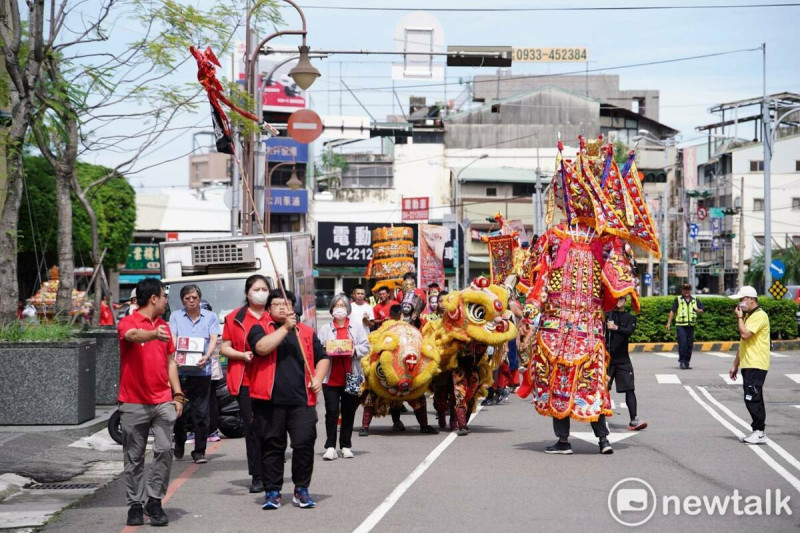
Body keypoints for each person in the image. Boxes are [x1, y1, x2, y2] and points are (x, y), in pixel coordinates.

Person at [247, 289, 330, 510]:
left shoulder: (306, 332)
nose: (283, 308)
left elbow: (323, 358)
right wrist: (285, 328)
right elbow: (261, 348)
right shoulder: (259, 329)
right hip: (268, 401)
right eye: (277, 305)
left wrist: (318, 378)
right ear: (268, 309)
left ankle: (301, 489)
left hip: (302, 400)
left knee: (304, 443)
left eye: (287, 304)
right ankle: (272, 491)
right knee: (272, 446)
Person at [117, 278, 183, 527]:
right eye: (164, 296)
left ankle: (154, 500)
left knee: (165, 450)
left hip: (162, 401)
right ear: (154, 298)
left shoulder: (165, 325)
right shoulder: (128, 322)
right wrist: (152, 334)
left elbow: (171, 362)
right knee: (134, 457)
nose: (166, 301)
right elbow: (133, 336)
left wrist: (178, 394)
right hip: (133, 403)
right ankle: (135, 504)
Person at [220, 275, 269, 493]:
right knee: (253, 428)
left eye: (264, 288)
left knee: (272, 428)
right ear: (247, 293)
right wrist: (241, 355)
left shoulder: (275, 315)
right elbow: (225, 348)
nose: (261, 292)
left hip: (272, 379)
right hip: (246, 382)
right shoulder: (234, 318)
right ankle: (257, 475)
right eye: (257, 289)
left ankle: (272, 470)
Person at [169, 284, 220, 465]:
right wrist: (176, 355)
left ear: (199, 298)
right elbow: (173, 338)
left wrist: (207, 356)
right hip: (180, 372)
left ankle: (199, 451)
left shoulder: (211, 317)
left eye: (194, 298)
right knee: (179, 411)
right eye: (187, 298)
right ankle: (180, 442)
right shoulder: (175, 316)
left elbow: (214, 338)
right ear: (183, 300)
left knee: (202, 413)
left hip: (202, 372)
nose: (191, 301)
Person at [317, 294, 370, 460]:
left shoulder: (356, 327)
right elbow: (318, 349)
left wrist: (353, 350)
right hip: (330, 378)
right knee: (331, 412)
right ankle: (330, 446)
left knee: (348, 412)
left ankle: (346, 445)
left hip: (352, 376)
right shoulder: (325, 329)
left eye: (342, 305)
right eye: (336, 305)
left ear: (348, 309)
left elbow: (366, 346)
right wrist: (327, 348)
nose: (339, 308)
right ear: (332, 308)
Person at [728, 286, 771, 445]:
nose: (740, 303)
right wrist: (735, 365)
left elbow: (745, 335)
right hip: (749, 362)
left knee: (753, 397)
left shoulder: (760, 315)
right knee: (752, 397)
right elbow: (743, 344)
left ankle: (759, 432)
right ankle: (757, 431)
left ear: (751, 299)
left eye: (742, 299)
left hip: (757, 363)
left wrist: (739, 318)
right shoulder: (749, 316)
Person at [605, 296, 647, 431]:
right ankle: (599, 418)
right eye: (616, 298)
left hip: (623, 359)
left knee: (630, 389)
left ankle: (634, 419)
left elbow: (629, 331)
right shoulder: (607, 315)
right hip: (607, 358)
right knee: (603, 389)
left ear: (625, 301)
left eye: (621, 299)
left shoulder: (630, 318)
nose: (618, 301)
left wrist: (616, 327)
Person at [666, 282, 704, 369]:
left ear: (690, 290)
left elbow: (702, 309)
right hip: (681, 325)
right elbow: (672, 311)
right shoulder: (678, 299)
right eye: (685, 289)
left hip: (691, 325)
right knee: (682, 343)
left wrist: (699, 310)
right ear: (682, 290)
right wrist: (668, 323)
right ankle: (682, 362)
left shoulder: (695, 299)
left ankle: (687, 362)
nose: (686, 291)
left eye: (688, 289)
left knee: (689, 344)